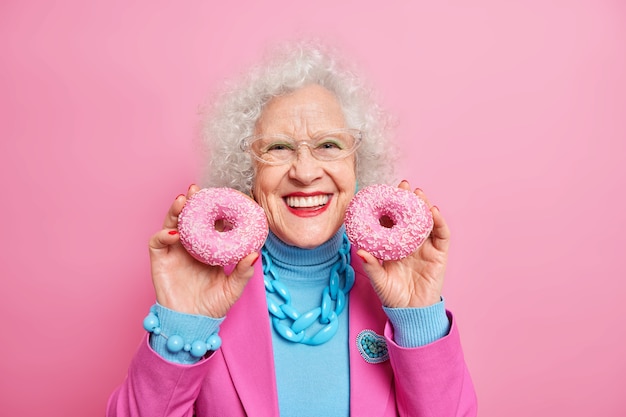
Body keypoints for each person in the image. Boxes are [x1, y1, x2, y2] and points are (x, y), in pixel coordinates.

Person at [107, 40, 478, 417]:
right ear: (248, 170)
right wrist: (182, 324)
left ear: (358, 164)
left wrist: (418, 317)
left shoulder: (395, 286)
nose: (304, 172)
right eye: (279, 148)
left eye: (329, 145)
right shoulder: (210, 288)